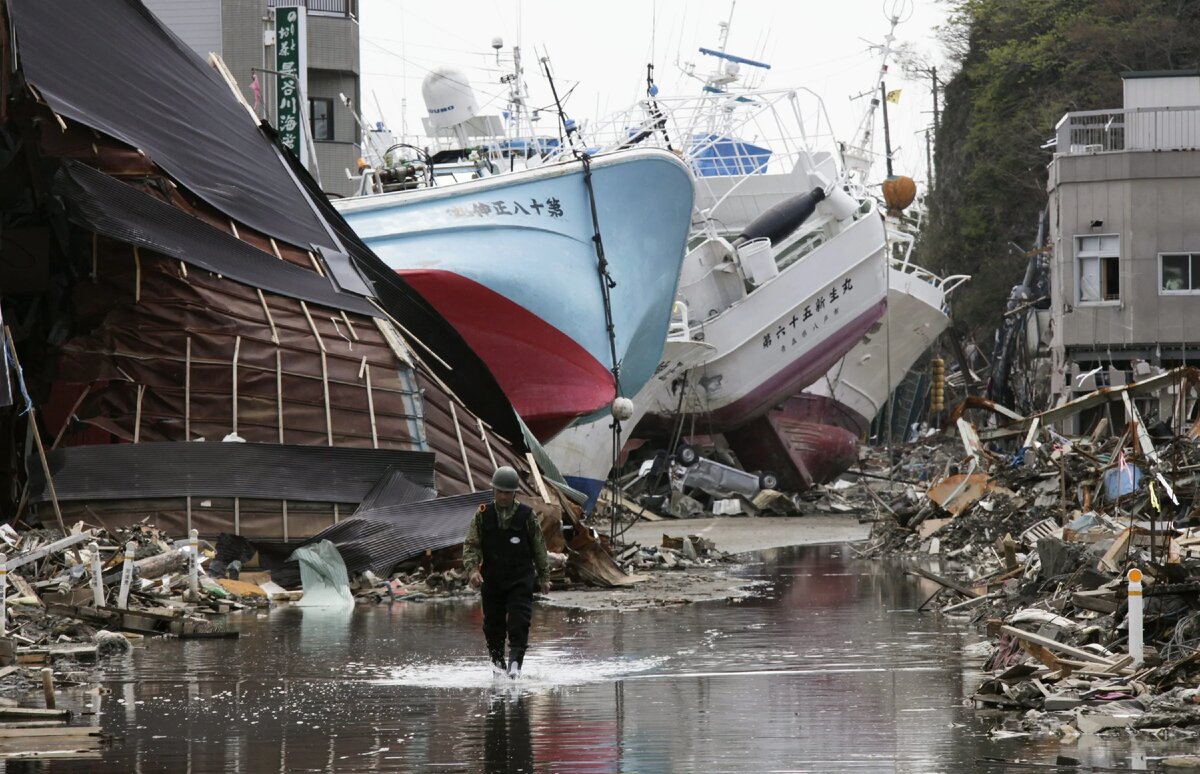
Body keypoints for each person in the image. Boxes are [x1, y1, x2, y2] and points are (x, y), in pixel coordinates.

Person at [463, 466, 551, 679]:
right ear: (493, 491)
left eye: (507, 492)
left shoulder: (527, 516)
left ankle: (515, 665)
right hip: (492, 579)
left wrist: (544, 576)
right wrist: (473, 571)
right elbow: (471, 545)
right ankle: (497, 664)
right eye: (499, 491)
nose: (503, 496)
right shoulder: (482, 515)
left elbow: (539, 547)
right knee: (492, 626)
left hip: (520, 578)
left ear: (514, 493)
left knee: (519, 621)